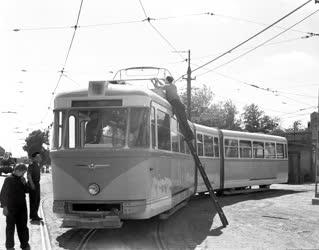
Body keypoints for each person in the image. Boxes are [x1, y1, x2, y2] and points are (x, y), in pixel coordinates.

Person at [0, 164, 30, 250]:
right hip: (11, 208)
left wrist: (25, 183)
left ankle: (24, 244)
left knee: (23, 227)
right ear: (17, 170)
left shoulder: (22, 179)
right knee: (10, 227)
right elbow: (3, 194)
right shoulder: (8, 179)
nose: (23, 174)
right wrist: (4, 207)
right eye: (23, 172)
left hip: (22, 208)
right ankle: (9, 246)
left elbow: (27, 191)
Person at [160, 76, 194, 142]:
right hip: (177, 104)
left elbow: (159, 86)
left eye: (165, 80)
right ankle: (189, 136)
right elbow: (163, 86)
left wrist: (155, 81)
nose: (164, 81)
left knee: (182, 121)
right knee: (181, 121)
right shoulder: (171, 86)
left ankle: (190, 136)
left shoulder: (169, 86)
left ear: (167, 80)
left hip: (177, 104)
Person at [27, 152, 42, 222]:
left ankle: (35, 215)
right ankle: (33, 216)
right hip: (33, 184)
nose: (39, 158)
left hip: (37, 184)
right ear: (34, 158)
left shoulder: (37, 164)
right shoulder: (31, 165)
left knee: (37, 200)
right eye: (38, 157)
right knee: (33, 201)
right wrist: (32, 184)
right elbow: (29, 175)